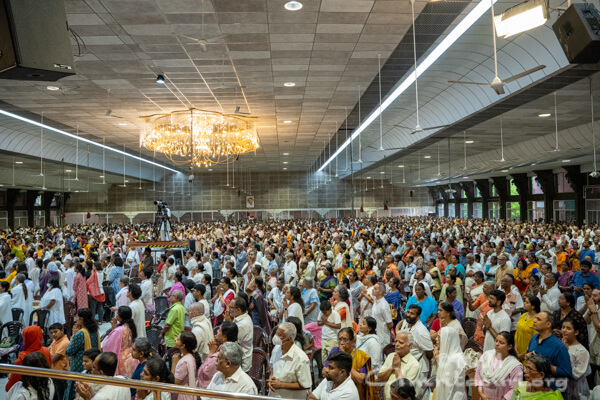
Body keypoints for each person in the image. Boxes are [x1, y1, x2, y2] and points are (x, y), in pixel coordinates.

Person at [324, 327, 375, 400]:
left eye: (345, 340)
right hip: (334, 390)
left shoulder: (361, 356)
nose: (341, 343)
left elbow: (360, 380)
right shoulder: (335, 351)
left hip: (354, 393)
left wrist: (344, 358)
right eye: (340, 339)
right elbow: (324, 372)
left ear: (352, 341)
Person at [525, 311, 572, 389]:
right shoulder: (534, 338)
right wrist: (528, 357)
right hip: (533, 387)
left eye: (538, 319)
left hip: (550, 390)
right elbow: (528, 355)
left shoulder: (558, 346)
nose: (534, 320)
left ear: (548, 324)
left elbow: (567, 372)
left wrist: (542, 365)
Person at [474, 331, 523, 400]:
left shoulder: (514, 366)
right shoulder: (486, 355)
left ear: (509, 347)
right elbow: (478, 375)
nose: (497, 344)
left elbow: (515, 388)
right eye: (496, 341)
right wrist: (481, 394)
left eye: (501, 343)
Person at [268, 322, 312, 399]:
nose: (275, 336)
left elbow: (306, 385)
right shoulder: (276, 349)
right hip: (274, 396)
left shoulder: (300, 358)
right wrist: (271, 378)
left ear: (288, 339)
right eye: (276, 333)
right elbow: (272, 367)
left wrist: (281, 384)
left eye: (279, 335)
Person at [65, 308, 101, 400]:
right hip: (91, 364)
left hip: (79, 364)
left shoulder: (80, 334)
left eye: (77, 317)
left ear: (81, 319)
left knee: (76, 388)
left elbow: (68, 351)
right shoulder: (94, 330)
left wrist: (73, 335)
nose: (76, 319)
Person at [5, 325, 53, 392]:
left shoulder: (22, 359)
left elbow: (9, 388)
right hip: (46, 389)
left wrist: (11, 377)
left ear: (27, 339)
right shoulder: (46, 351)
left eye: (24, 338)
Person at [397, 304, 434, 386]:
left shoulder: (421, 332)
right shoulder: (406, 323)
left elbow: (430, 351)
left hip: (419, 367)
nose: (408, 315)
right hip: (406, 364)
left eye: (412, 313)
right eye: (408, 312)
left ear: (418, 317)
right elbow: (402, 323)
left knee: (416, 394)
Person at [379, 331, 422, 398]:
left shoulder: (414, 365)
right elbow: (380, 378)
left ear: (410, 346)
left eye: (401, 342)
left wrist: (397, 369)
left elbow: (404, 391)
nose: (396, 344)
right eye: (396, 341)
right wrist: (392, 367)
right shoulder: (391, 356)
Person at [197, 321, 238, 388]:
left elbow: (203, 372)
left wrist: (211, 353)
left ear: (224, 337)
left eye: (219, 330)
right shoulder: (234, 348)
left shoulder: (218, 357)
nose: (216, 332)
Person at [102, 305, 138, 376]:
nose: (116, 314)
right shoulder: (129, 326)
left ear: (121, 316)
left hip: (122, 360)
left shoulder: (119, 330)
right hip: (130, 357)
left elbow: (107, 345)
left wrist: (113, 330)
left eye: (117, 313)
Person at [432, 327, 467, 400]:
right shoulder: (444, 353)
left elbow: (448, 382)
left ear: (447, 340)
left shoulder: (458, 358)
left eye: (439, 337)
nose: (436, 339)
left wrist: (439, 360)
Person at [561, 318, 591, 400]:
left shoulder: (582, 351)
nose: (564, 330)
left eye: (568, 328)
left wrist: (565, 352)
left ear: (576, 332)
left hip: (576, 390)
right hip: (563, 386)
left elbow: (577, 374)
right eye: (563, 327)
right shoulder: (560, 345)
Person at [171, 331, 202, 400]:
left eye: (178, 339)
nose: (175, 339)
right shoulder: (189, 356)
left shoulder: (184, 362)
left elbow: (175, 382)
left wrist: (174, 364)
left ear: (183, 345)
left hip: (183, 395)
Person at [227, 296, 253, 373]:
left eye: (231, 307)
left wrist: (228, 323)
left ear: (238, 310)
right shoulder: (241, 317)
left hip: (241, 363)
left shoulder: (243, 325)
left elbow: (231, 341)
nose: (229, 310)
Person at [49, 322, 70, 400]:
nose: (53, 334)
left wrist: (49, 355)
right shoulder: (55, 340)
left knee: (60, 396)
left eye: (55, 332)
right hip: (54, 372)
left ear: (62, 331)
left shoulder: (64, 342)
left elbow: (52, 358)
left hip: (61, 373)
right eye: (51, 333)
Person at [515, 296, 540, 360]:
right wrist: (515, 350)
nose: (524, 303)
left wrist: (522, 355)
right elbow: (517, 334)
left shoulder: (537, 320)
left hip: (528, 354)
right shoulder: (523, 315)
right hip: (517, 351)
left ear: (533, 306)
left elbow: (535, 341)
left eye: (527, 302)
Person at [319, 300, 342, 365]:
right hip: (324, 338)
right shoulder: (321, 313)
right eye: (322, 312)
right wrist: (323, 322)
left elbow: (338, 326)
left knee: (332, 359)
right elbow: (318, 323)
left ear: (330, 310)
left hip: (332, 339)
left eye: (325, 312)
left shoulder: (335, 314)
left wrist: (326, 322)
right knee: (324, 359)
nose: (323, 314)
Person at [372, 282, 394, 346]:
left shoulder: (384, 306)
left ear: (380, 292)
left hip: (382, 336)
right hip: (376, 333)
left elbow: (390, 323)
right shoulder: (376, 302)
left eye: (375, 289)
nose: (373, 290)